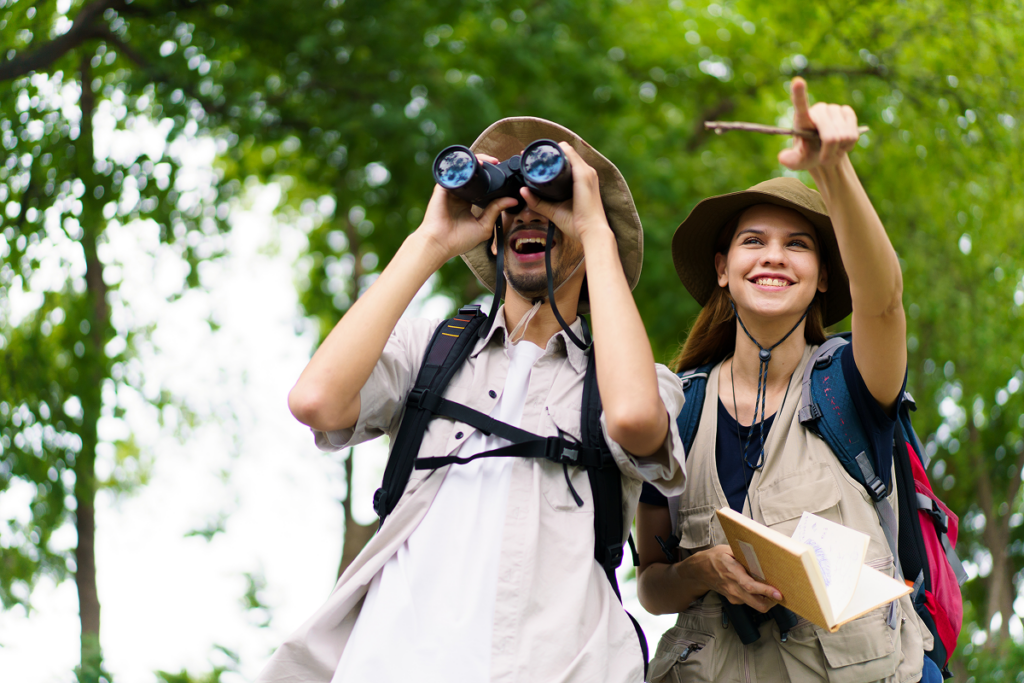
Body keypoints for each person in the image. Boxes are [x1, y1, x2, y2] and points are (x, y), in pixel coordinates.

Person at [257, 117, 686, 683]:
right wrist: (430, 241)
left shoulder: (640, 382)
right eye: (512, 201)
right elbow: (316, 401)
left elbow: (632, 419)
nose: (528, 212)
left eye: (551, 199)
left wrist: (596, 231)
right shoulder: (428, 351)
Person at [637, 78, 937, 683]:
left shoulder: (850, 383)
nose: (773, 256)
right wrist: (702, 570)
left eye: (797, 245)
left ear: (824, 276)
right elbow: (651, 583)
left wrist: (834, 171)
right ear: (723, 270)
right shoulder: (677, 408)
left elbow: (884, 303)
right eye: (754, 241)